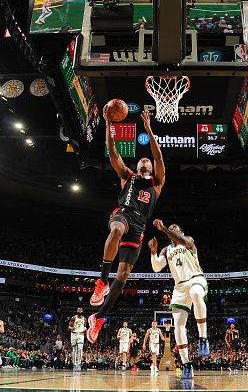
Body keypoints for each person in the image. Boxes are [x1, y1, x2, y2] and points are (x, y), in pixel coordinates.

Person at [87, 109, 165, 344]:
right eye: (141, 159)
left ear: (150, 167)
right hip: (123, 213)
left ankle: (98, 318)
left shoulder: (156, 182)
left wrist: (149, 130)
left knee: (124, 274)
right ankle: (102, 281)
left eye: (147, 160)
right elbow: (112, 153)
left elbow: (159, 158)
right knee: (116, 230)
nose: (145, 160)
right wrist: (109, 124)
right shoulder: (127, 176)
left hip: (139, 226)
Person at [148, 221, 209, 380]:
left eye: (175, 228)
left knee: (196, 293)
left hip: (196, 278)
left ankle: (203, 339)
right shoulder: (166, 250)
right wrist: (153, 252)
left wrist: (165, 229)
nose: (172, 229)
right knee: (178, 325)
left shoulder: (188, 240)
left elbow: (183, 239)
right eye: (171, 228)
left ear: (180, 232)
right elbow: (156, 268)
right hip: (180, 287)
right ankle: (186, 364)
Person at [68, 307, 86, 371]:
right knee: (74, 349)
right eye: (78, 310)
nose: (79, 311)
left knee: (80, 349)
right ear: (77, 311)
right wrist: (71, 328)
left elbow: (84, 327)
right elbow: (69, 326)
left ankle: (79, 364)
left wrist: (85, 329)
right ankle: (74, 364)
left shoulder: (84, 319)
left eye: (81, 310)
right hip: (74, 334)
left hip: (81, 334)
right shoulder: (74, 318)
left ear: (82, 311)